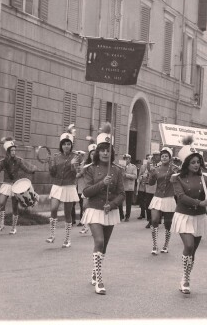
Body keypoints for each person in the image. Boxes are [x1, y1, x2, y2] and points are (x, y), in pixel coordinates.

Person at [81, 123, 125, 295]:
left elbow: (122, 194)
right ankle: (99, 279)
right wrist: (102, 183)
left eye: (108, 149)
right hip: (94, 210)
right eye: (102, 150)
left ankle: (95, 270)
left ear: (111, 152)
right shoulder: (90, 169)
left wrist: (112, 204)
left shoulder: (117, 170)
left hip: (110, 211)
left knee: (104, 245)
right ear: (97, 152)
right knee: (98, 241)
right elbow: (86, 191)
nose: (105, 153)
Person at [171, 136, 207, 294]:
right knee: (189, 246)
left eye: (198, 162)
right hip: (184, 215)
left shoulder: (204, 178)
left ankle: (186, 276)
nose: (196, 165)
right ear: (186, 164)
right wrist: (199, 203)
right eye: (193, 162)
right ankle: (185, 278)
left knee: (193, 251)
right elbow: (181, 197)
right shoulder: (177, 178)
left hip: (199, 217)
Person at [0, 137, 37, 234]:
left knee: (14, 206)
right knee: (1, 203)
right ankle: (1, 224)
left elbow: (26, 170)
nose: (13, 152)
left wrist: (33, 170)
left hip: (15, 185)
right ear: (8, 151)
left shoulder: (18, 161)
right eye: (11, 150)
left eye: (14, 150)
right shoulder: (3, 162)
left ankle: (13, 227)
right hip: (6, 184)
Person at [46, 125, 80, 247]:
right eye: (64, 144)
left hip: (69, 186)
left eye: (68, 144)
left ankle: (67, 239)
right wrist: (51, 165)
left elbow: (76, 173)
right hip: (57, 186)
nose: (66, 146)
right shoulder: (55, 156)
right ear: (61, 145)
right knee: (53, 208)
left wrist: (72, 165)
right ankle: (52, 235)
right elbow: (53, 173)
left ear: (71, 145)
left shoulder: (75, 157)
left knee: (67, 213)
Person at [148, 146, 178, 255]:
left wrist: (176, 174)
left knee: (168, 223)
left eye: (166, 156)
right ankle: (155, 245)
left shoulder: (174, 168)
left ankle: (166, 245)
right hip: (157, 197)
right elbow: (151, 183)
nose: (164, 158)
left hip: (169, 198)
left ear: (170, 158)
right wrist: (151, 174)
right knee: (154, 220)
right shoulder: (156, 169)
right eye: (162, 156)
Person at [76, 140, 97, 235]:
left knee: (94, 208)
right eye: (92, 154)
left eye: (95, 154)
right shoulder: (85, 164)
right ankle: (85, 226)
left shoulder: (100, 164)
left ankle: (94, 227)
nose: (93, 155)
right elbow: (80, 173)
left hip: (96, 188)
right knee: (85, 206)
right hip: (87, 189)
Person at [121, 154, 137, 222]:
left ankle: (127, 216)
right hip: (122, 186)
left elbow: (135, 176)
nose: (126, 160)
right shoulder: (120, 166)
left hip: (129, 187)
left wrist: (126, 175)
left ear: (129, 160)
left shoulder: (133, 167)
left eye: (127, 159)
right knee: (120, 202)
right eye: (124, 159)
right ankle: (120, 215)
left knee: (128, 202)